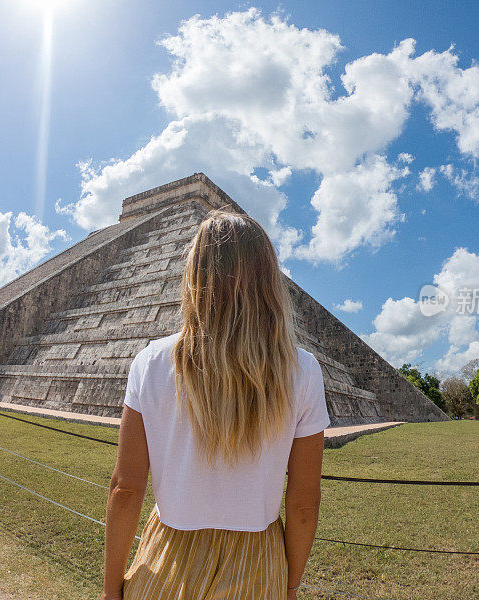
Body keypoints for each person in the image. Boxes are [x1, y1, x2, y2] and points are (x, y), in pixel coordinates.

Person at [98, 209, 330, 600]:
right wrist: (290, 586)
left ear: (195, 276)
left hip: (167, 555)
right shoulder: (302, 370)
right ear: (268, 279)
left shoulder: (151, 362)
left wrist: (110, 590)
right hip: (259, 560)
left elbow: (126, 487)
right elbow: (303, 503)